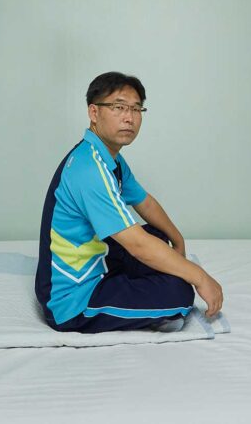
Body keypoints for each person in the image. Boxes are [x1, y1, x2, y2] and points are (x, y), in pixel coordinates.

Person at [35, 72, 224, 333]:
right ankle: (144, 303)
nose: (129, 117)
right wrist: (199, 277)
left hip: (100, 258)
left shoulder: (106, 156)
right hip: (72, 299)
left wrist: (178, 240)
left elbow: (144, 202)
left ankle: (137, 283)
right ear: (94, 112)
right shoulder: (89, 170)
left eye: (136, 109)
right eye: (119, 107)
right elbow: (136, 245)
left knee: (158, 236)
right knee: (180, 293)